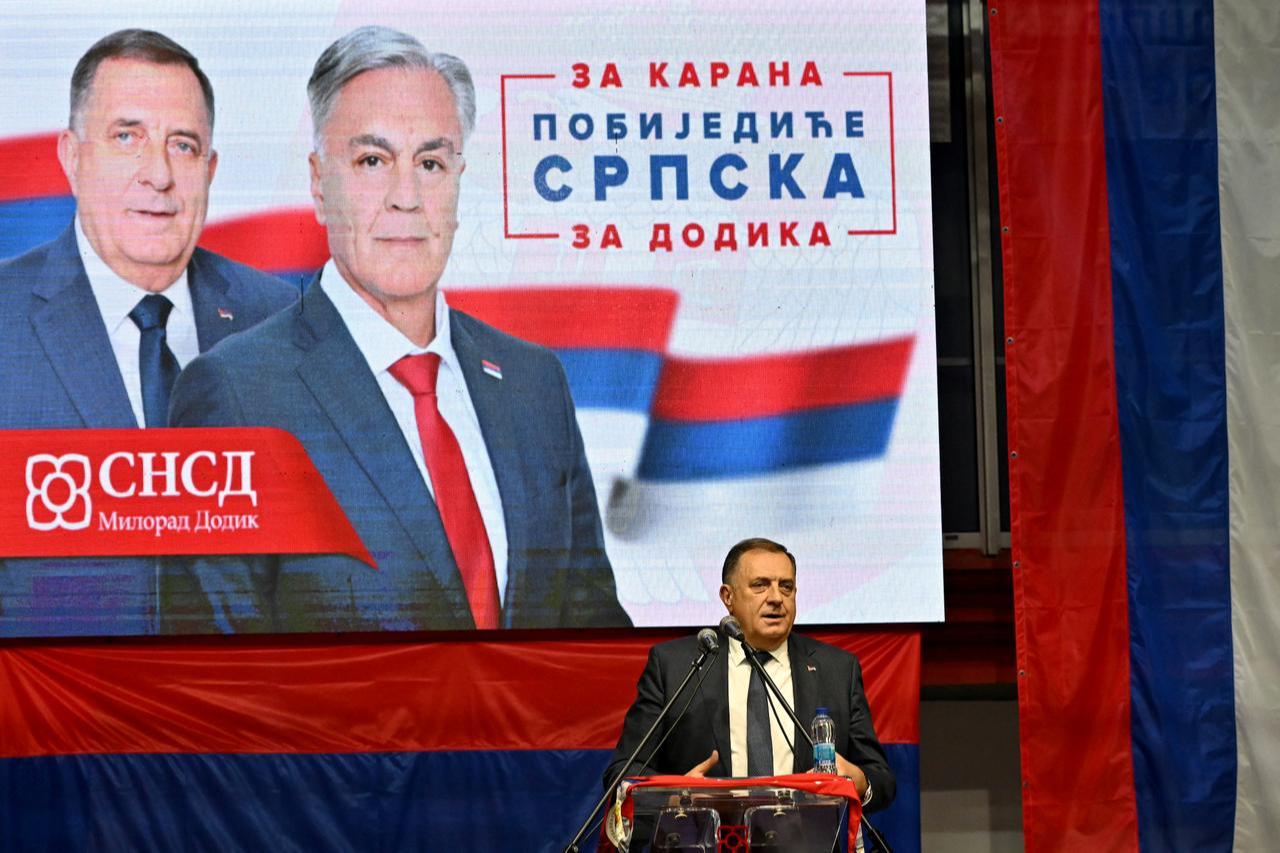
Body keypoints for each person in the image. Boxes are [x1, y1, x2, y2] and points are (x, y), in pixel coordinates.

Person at [162, 26, 630, 633]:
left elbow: (595, 642)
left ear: (460, 180)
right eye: (372, 161)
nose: (406, 197)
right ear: (318, 184)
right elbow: (217, 688)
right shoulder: (236, 395)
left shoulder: (533, 383)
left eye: (431, 162)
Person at [0, 29, 298, 637]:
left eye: (182, 146)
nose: (158, 174)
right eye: (127, 138)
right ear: (72, 156)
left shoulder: (282, 317)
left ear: (210, 170)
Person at [604, 538, 895, 813]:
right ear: (727, 597)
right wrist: (675, 795)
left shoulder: (837, 670)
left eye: (786, 587)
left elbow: (880, 779)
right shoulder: (675, 666)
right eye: (760, 585)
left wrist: (859, 781)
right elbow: (623, 774)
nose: (776, 598)